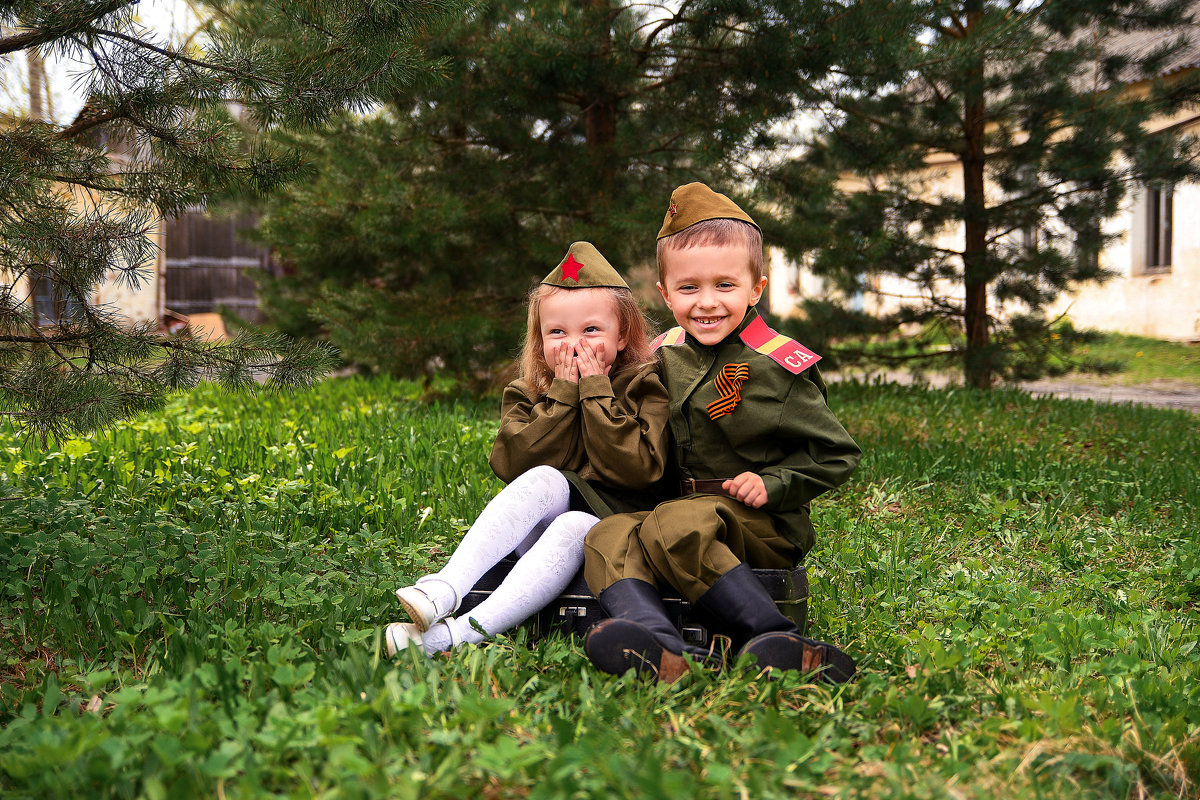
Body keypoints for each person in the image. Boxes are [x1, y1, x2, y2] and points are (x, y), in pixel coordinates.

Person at [581, 183, 862, 683]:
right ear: (665, 294)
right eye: (688, 288)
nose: (706, 303)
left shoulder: (774, 366)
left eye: (725, 286)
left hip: (758, 527)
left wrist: (773, 483)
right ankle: (659, 646)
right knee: (608, 532)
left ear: (756, 288)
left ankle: (775, 638)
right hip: (675, 518)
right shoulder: (664, 354)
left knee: (673, 523)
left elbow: (837, 453)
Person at [385, 242, 669, 657]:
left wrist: (595, 393)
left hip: (614, 532)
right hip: (538, 534)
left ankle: (451, 638)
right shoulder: (528, 393)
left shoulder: (645, 386)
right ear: (539, 338)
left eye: (591, 330)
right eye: (557, 332)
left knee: (574, 525)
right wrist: (563, 397)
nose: (573, 345)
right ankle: (443, 590)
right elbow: (511, 463)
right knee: (545, 478)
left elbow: (641, 468)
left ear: (622, 334)